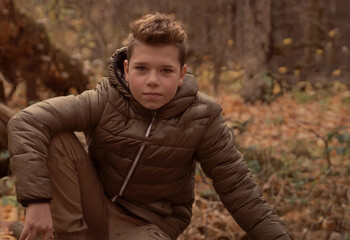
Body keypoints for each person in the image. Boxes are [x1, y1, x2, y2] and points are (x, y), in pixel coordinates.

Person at [7, 13, 292, 240]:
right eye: (142, 69)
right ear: (127, 69)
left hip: (145, 224)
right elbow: (26, 121)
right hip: (93, 206)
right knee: (58, 138)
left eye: (165, 70)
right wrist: (37, 202)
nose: (152, 80)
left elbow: (238, 187)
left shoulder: (202, 116)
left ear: (181, 74)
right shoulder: (106, 99)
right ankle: (65, 235)